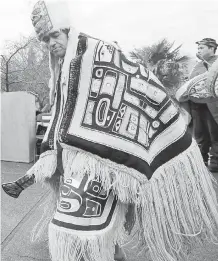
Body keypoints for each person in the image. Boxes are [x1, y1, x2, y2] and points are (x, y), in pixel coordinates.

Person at [2, 2, 218, 261]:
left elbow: (136, 80)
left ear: (69, 31)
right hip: (78, 159)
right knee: (84, 229)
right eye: (45, 39)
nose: (51, 43)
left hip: (102, 158)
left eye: (55, 35)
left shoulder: (99, 52)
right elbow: (64, 116)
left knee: (85, 230)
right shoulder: (62, 71)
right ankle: (114, 253)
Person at [189, 38, 218, 172]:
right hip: (197, 106)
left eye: (202, 48)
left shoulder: (216, 63)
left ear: (211, 48)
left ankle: (215, 162)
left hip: (213, 105)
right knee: (199, 135)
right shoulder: (197, 65)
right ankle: (201, 161)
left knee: (215, 135)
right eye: (198, 48)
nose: (199, 50)